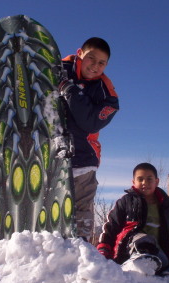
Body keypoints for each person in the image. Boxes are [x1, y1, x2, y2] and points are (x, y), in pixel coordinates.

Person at [58, 37, 119, 242]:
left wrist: (70, 91)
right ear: (80, 53)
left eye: (101, 63)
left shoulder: (107, 93)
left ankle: (82, 251)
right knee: (50, 207)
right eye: (91, 58)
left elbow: (90, 123)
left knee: (81, 211)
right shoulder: (57, 68)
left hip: (83, 160)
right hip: (48, 156)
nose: (95, 66)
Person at [96, 163, 169, 271]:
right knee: (143, 239)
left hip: (156, 251)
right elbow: (112, 226)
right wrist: (104, 247)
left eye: (149, 179)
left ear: (157, 181)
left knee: (165, 262)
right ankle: (138, 262)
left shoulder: (166, 206)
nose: (145, 183)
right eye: (140, 179)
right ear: (133, 182)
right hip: (127, 250)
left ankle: (161, 265)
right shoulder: (126, 202)